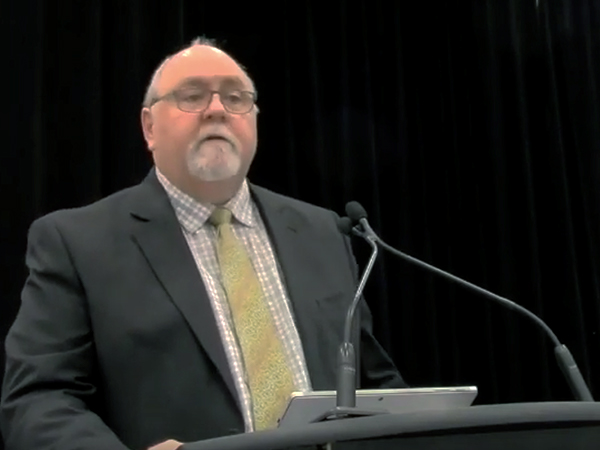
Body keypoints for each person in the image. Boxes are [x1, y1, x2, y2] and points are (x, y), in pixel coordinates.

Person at [1, 37, 406, 450]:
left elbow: (373, 385)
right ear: (149, 127)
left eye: (236, 98)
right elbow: (39, 400)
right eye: (192, 96)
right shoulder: (78, 243)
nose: (217, 110)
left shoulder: (323, 233)